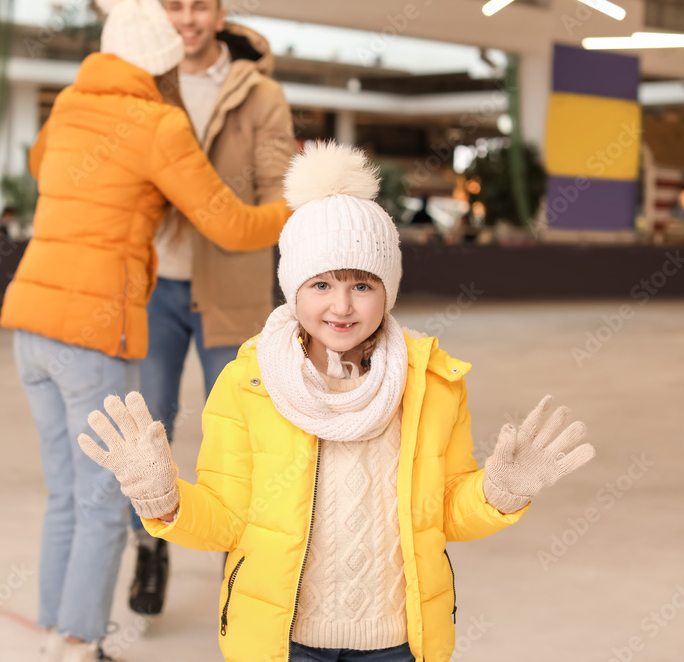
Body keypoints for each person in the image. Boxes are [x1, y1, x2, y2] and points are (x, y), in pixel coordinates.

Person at [77, 141, 596, 662]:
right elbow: (229, 521)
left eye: (362, 284)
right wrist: (164, 502)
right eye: (321, 283)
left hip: (397, 642)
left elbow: (443, 515)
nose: (342, 306)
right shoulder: (248, 384)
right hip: (287, 642)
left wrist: (500, 492)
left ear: (387, 289)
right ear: (292, 289)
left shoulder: (433, 383)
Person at [0, 0, 293, 659]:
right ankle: (80, 641)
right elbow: (229, 224)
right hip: (93, 331)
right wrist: (299, 206)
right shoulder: (157, 124)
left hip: (30, 326)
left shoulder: (71, 103)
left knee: (66, 493)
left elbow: (44, 166)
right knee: (106, 496)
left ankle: (55, 628)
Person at [128, 0, 296, 616]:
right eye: (174, 5)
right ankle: (150, 549)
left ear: (220, 14)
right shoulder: (144, 84)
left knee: (239, 438)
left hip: (231, 287)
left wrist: (229, 222)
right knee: (148, 433)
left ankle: (241, 566)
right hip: (153, 288)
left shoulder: (261, 95)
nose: (187, 19)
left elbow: (279, 195)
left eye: (199, 5)